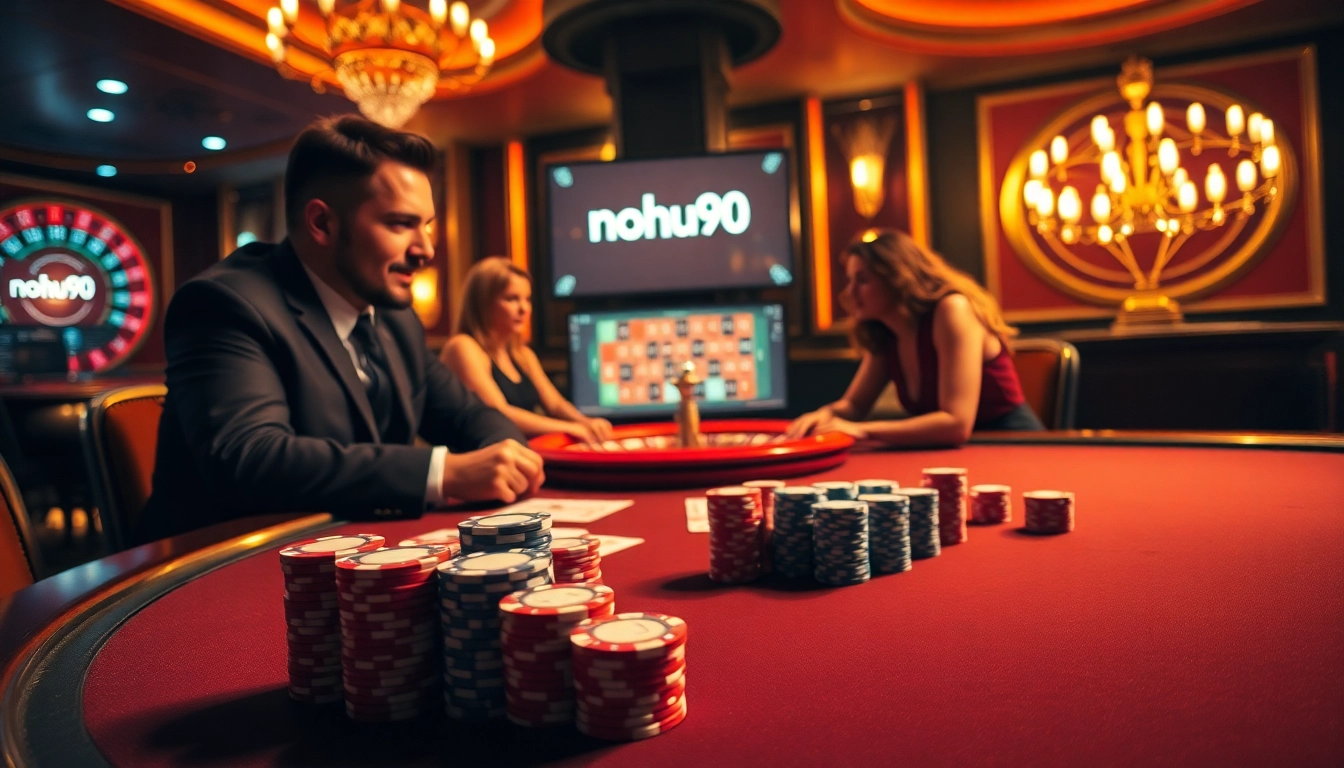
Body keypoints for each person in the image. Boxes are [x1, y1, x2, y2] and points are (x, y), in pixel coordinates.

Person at [137, 116, 543, 545]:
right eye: (401, 224)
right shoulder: (225, 304)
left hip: (349, 551)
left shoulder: (395, 320)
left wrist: (505, 455)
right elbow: (251, 459)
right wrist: (444, 473)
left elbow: (469, 416)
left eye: (426, 225)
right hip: (211, 569)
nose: (426, 248)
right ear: (322, 224)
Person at [787, 228, 1043, 446]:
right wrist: (823, 415)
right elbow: (854, 406)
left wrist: (864, 430)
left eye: (862, 280)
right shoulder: (885, 331)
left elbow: (956, 424)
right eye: (850, 280)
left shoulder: (952, 310)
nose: (850, 292)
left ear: (898, 278)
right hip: (955, 456)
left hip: (1011, 445)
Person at [440, 257, 613, 444]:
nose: (523, 308)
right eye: (511, 299)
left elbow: (555, 404)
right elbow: (499, 412)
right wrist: (570, 428)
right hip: (476, 460)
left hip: (518, 454)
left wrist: (587, 422)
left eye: (527, 299)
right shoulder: (462, 347)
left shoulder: (522, 355)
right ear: (483, 303)